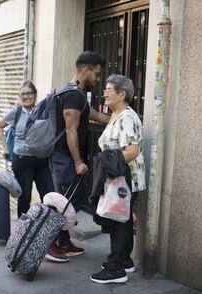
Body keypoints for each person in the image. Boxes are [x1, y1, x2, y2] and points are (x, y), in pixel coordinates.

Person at [45, 51, 110, 262]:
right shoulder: (73, 95)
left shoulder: (76, 94)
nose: (98, 79)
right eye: (97, 74)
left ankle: (64, 243)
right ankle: (51, 245)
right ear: (85, 70)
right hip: (65, 159)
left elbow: (95, 115)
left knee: (70, 201)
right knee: (64, 204)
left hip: (65, 158)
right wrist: (78, 162)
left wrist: (119, 118)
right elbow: (71, 130)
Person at [90, 74, 146, 284]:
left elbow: (132, 150)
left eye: (109, 89)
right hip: (117, 176)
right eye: (105, 89)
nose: (104, 92)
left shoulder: (127, 118)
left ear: (122, 94)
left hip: (123, 177)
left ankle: (115, 270)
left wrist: (109, 164)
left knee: (120, 221)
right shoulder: (116, 115)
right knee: (120, 218)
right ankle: (124, 261)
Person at [0, 80, 54, 217]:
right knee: (24, 197)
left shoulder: (42, 110)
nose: (26, 97)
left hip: (41, 160)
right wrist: (5, 147)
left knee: (49, 195)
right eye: (23, 94)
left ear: (35, 94)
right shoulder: (16, 111)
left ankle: (47, 231)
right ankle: (23, 234)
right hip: (22, 160)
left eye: (29, 93)